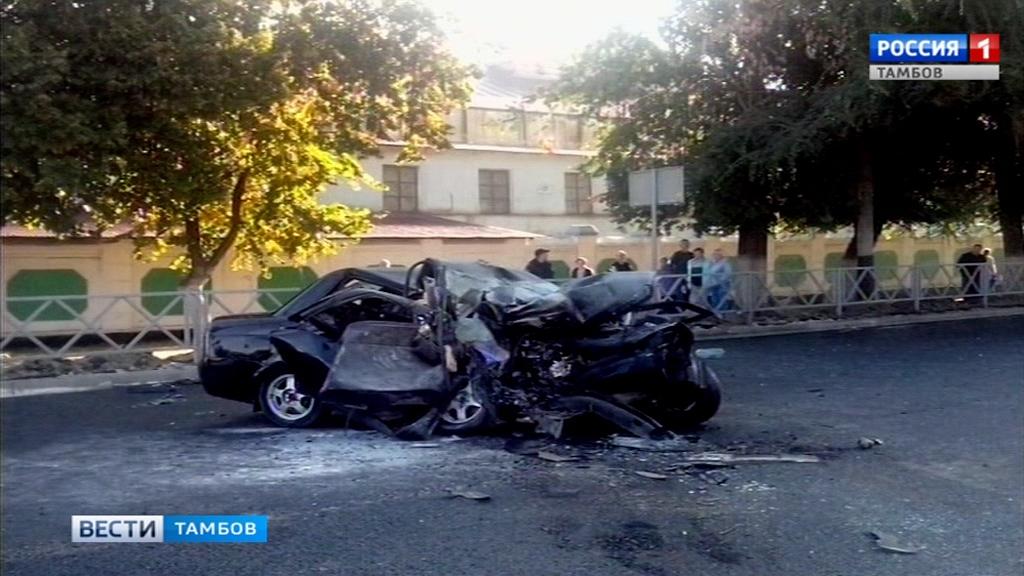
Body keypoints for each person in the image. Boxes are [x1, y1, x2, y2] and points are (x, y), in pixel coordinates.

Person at [705, 248, 733, 315]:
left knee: (721, 299)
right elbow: (709, 272)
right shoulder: (713, 263)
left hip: (722, 284)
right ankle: (716, 313)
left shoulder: (725, 263)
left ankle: (722, 314)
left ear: (721, 255)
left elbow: (727, 274)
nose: (715, 256)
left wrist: (720, 281)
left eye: (717, 254)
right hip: (713, 284)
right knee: (714, 299)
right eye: (714, 254)